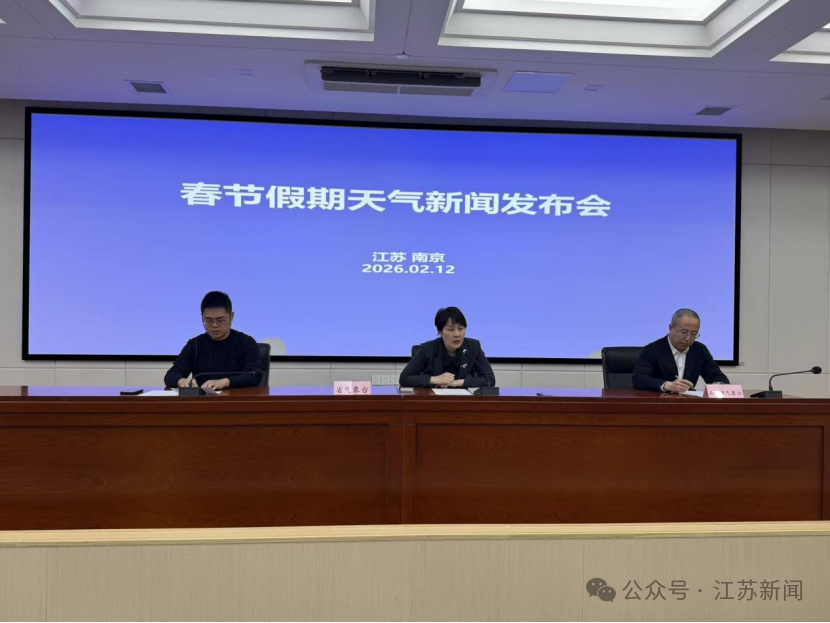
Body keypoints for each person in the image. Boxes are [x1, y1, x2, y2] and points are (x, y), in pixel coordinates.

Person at [164, 291, 262, 391]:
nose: (214, 325)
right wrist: (181, 381)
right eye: (208, 320)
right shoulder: (195, 345)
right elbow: (171, 375)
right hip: (203, 399)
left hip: (237, 398)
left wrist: (224, 382)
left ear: (231, 316)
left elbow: (254, 376)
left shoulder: (246, 343)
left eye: (220, 320)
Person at [632, 308, 729, 393]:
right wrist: (667, 385)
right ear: (671, 328)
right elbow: (638, 379)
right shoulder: (652, 349)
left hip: (688, 403)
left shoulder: (700, 350)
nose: (688, 338)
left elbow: (716, 375)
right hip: (659, 402)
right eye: (684, 332)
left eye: (694, 334)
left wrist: (720, 385)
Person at [399, 307, 495, 388]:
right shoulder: (427, 349)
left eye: (461, 328)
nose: (457, 334)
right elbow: (404, 378)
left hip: (464, 401)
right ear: (440, 331)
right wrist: (435, 379)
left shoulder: (473, 347)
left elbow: (490, 379)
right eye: (450, 329)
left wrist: (459, 382)